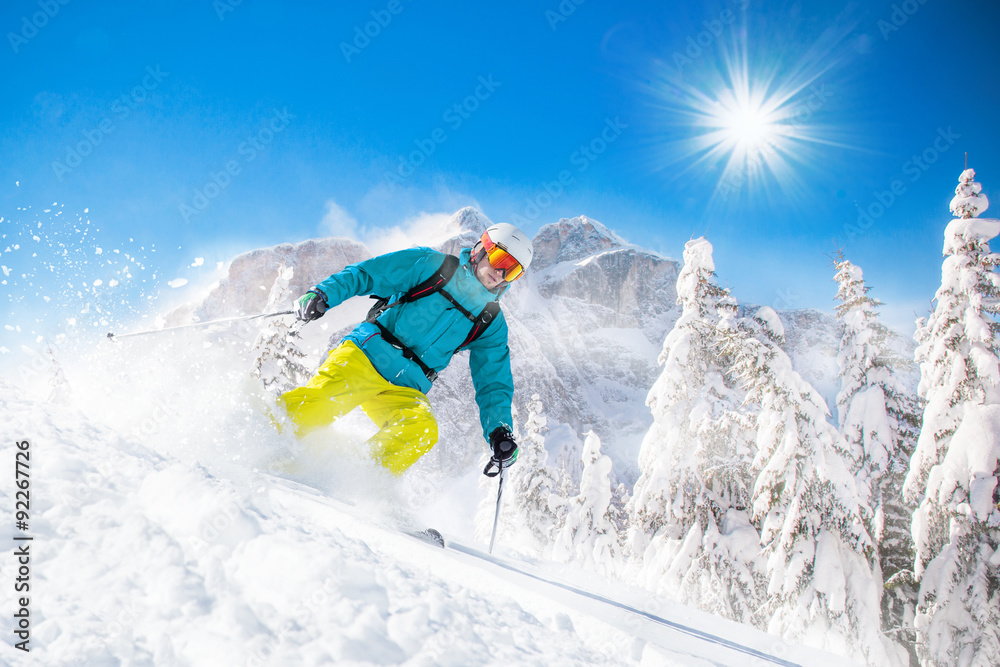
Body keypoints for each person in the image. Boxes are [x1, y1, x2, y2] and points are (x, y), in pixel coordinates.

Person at [279, 222, 533, 477]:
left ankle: (354, 478)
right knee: (318, 404)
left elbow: (493, 380)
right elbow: (370, 274)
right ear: (482, 249)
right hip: (366, 357)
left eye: (511, 271)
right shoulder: (435, 266)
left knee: (421, 430)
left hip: (406, 387)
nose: (500, 273)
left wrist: (499, 430)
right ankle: (263, 437)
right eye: (501, 259)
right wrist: (323, 294)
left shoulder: (490, 320)